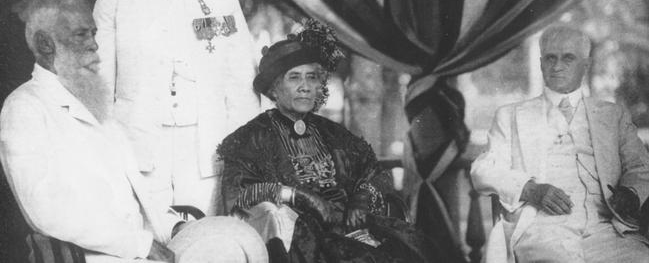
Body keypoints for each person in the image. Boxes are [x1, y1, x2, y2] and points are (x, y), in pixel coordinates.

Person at [0, 0, 267, 263]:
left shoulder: (91, 99)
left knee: (236, 243)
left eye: (94, 34)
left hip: (140, 250)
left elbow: (136, 189)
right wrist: (140, 245)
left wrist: (173, 226)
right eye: (82, 34)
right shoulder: (24, 107)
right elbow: (46, 210)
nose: (94, 45)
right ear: (46, 44)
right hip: (96, 257)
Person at [218, 20, 454, 263]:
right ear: (273, 89)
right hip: (302, 238)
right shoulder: (251, 138)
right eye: (294, 78)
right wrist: (296, 196)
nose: (305, 87)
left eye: (312, 78)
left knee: (420, 251)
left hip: (354, 226)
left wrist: (362, 199)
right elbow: (238, 194)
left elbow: (376, 174)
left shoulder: (333, 133)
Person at [93, 0, 259, 216]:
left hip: (205, 148)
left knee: (203, 238)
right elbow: (99, 82)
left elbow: (240, 83)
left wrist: (242, 156)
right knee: (147, 241)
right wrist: (108, 148)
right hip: (137, 146)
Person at [471, 25, 649, 263]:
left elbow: (640, 167)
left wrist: (630, 191)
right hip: (542, 229)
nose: (557, 66)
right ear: (541, 63)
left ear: (585, 66)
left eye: (568, 58)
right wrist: (531, 190)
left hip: (607, 227)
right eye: (550, 58)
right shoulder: (510, 115)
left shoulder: (612, 114)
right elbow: (483, 170)